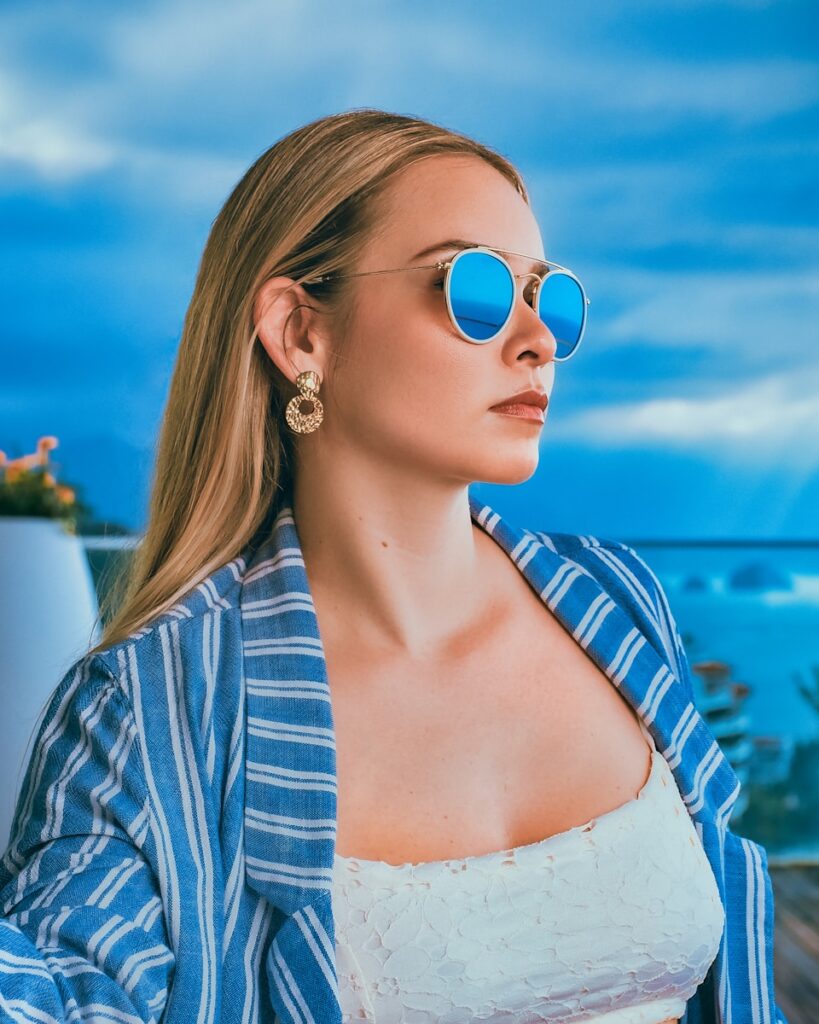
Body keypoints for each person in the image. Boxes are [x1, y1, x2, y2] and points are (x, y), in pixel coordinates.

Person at [0, 109, 787, 1024]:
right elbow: (66, 986)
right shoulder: (154, 706)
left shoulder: (615, 601)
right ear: (300, 334)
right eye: (477, 289)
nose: (535, 339)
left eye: (552, 297)